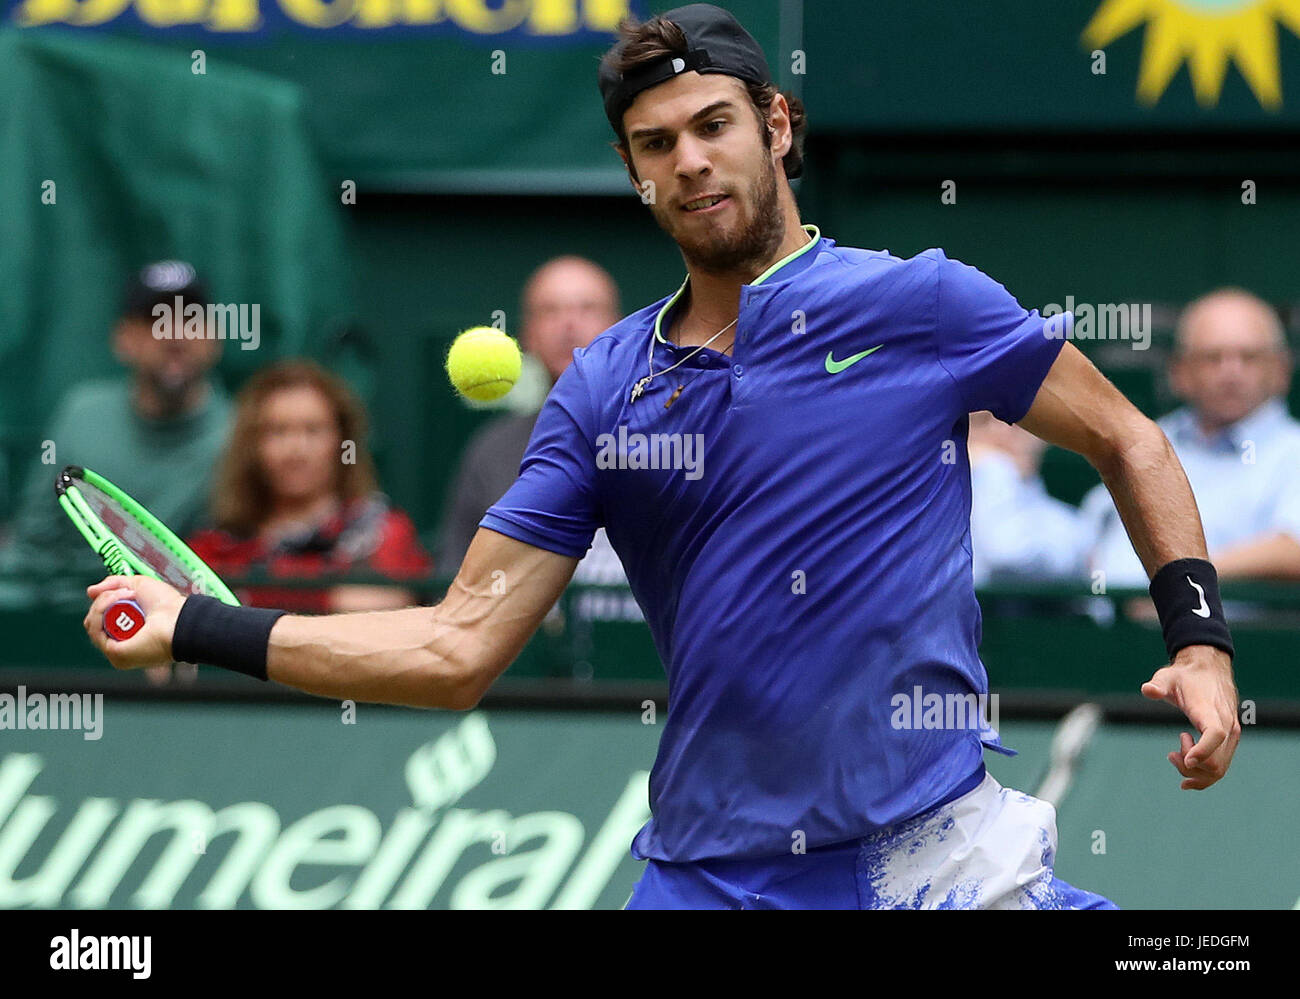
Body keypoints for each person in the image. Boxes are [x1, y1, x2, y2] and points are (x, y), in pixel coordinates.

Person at [83, 5, 1239, 910]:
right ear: (633, 171)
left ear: (776, 126)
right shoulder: (600, 391)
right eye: (654, 144)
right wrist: (195, 625)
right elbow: (455, 645)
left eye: (712, 126)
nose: (687, 161)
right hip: (714, 879)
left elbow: (1126, 436)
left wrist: (1197, 639)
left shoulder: (920, 304)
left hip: (937, 857)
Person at [0, 261, 229, 606]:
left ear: (214, 338)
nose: (176, 336)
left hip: (187, 635)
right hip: (69, 624)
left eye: (191, 320)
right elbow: (32, 550)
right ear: (124, 339)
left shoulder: (243, 434)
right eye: (156, 322)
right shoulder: (81, 413)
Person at [1083, 288, 1300, 586]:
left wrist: (1179, 589)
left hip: (1222, 630)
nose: (1231, 372)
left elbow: (1294, 549)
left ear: (1281, 370)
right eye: (1213, 358)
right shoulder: (1148, 436)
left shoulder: (1292, 450)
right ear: (1179, 371)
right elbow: (1091, 532)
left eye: (1249, 357)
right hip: (1102, 626)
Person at [187, 360, 433, 614]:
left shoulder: (382, 530)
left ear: (342, 442)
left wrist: (248, 600)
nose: (296, 449)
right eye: (277, 431)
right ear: (252, 446)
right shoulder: (217, 542)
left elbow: (374, 613)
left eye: (313, 431)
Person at [438, 256, 622, 570]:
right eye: (550, 310)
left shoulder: (665, 439)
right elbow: (456, 573)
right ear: (528, 334)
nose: (569, 324)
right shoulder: (492, 449)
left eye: (587, 308)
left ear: (619, 327)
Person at [967, 410, 1089, 585]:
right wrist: (995, 469)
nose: (1002, 430)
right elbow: (1007, 553)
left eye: (1018, 420)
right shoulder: (987, 476)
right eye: (982, 422)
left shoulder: (1066, 517)